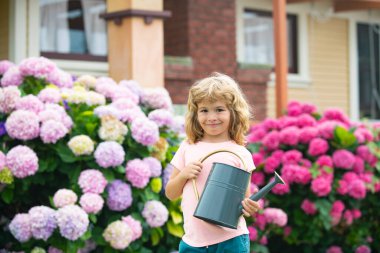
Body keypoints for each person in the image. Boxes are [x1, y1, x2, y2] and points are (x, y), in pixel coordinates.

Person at [165, 73, 260, 253]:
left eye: (219, 109)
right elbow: (170, 193)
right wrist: (184, 174)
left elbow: (242, 201)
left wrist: (249, 206)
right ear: (195, 114)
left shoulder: (240, 153)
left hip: (231, 240)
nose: (211, 117)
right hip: (193, 243)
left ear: (233, 112)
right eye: (204, 110)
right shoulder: (188, 147)